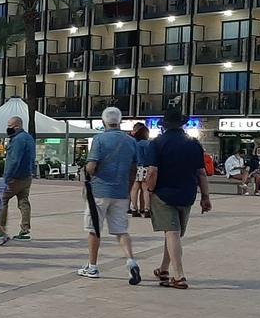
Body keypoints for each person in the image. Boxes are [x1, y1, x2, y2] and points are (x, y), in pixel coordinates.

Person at [144, 107, 212, 289]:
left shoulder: (157, 143)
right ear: (181, 124)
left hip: (163, 194)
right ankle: (164, 269)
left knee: (172, 233)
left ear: (164, 125)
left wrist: (149, 191)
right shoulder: (194, 144)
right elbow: (202, 173)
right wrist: (205, 196)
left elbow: (152, 171)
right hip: (187, 194)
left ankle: (179, 276)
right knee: (172, 232)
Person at [77, 107, 141, 284]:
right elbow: (134, 169)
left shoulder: (99, 139)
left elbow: (91, 166)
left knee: (94, 229)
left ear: (103, 121)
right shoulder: (131, 142)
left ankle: (92, 266)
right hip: (120, 192)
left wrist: (87, 172)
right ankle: (131, 260)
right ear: (119, 121)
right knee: (121, 231)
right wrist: (128, 188)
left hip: (99, 191)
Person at [0, 116, 35, 240]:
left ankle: (0, 228)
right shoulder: (29, 138)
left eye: (10, 126)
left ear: (17, 126)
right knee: (23, 201)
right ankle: (25, 229)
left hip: (15, 177)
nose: (8, 128)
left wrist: (7, 177)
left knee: (2, 199)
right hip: (27, 176)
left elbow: (14, 160)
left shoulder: (18, 139)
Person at [129, 123, 151, 217]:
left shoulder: (135, 144)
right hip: (146, 167)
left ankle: (134, 208)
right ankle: (146, 209)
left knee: (135, 188)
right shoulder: (148, 144)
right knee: (145, 189)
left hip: (137, 167)